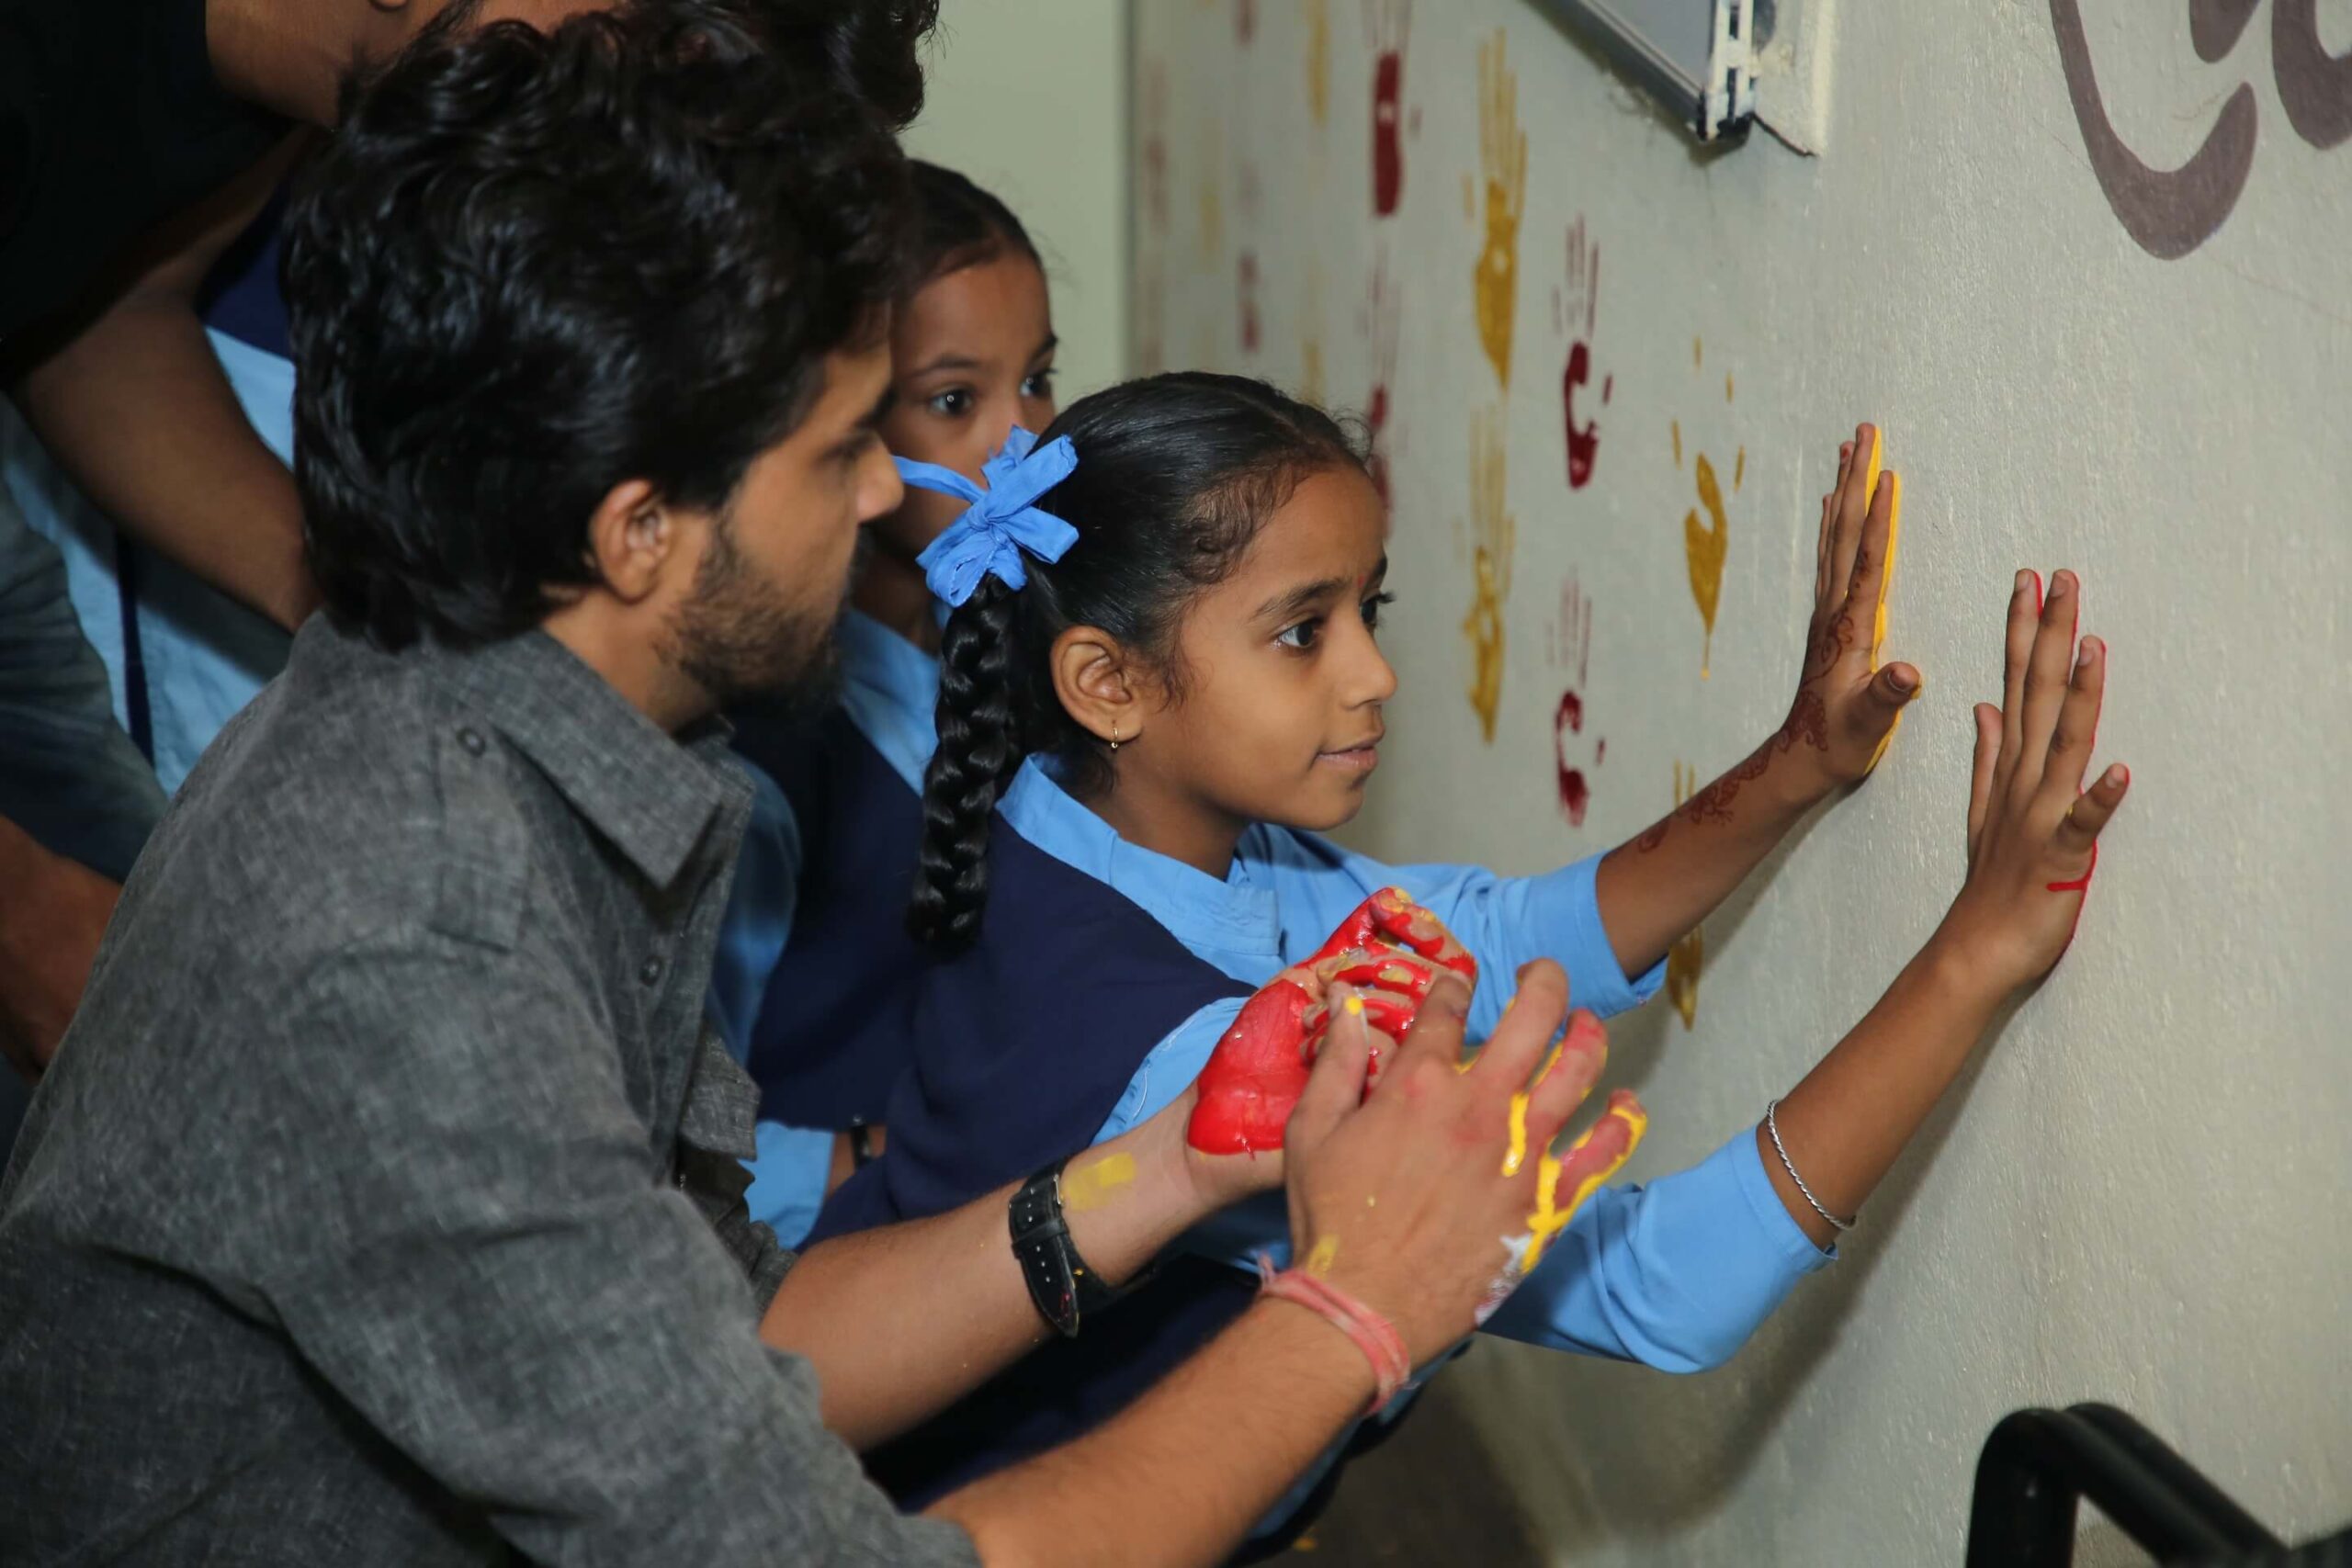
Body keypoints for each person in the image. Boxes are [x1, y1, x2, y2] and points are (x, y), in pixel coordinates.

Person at [0, 15, 1649, 1564]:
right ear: (638, 528)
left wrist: (1170, 1170)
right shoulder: (415, 942)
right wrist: (1360, 1309)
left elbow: (744, 1332)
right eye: (839, 444)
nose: (884, 490)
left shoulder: (527, 729)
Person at [806, 373, 2132, 1546]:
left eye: (1367, 609)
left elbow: (1493, 938)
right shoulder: (1201, 1067)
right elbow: (1663, 1281)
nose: (1375, 672)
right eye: (1302, 629)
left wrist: (1798, 761)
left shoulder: (1083, 802)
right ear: (1108, 680)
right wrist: (1973, 955)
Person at [0, 0, 942, 1093]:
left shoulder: (327, 75)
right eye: (613, 94)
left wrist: (368, 599)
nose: (590, 181)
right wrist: (23, 917)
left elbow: (100, 324)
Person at [714, 160, 1061, 1239]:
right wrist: (898, 1158)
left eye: (1040, 379)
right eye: (954, 401)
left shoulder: (1026, 648)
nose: (1023, 442)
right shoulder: (763, 753)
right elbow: (662, 1143)